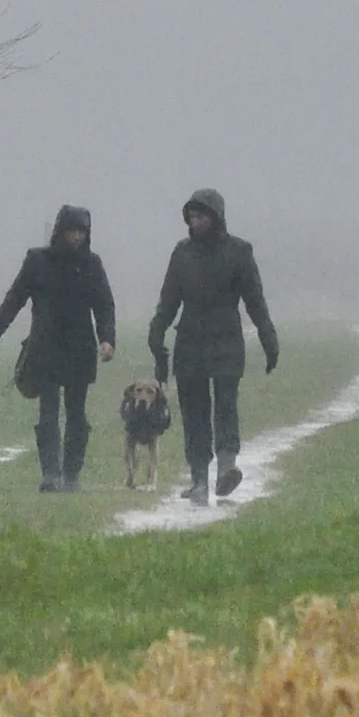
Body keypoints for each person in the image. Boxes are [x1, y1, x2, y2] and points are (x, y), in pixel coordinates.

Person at [143, 186, 277, 504]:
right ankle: (199, 477)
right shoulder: (182, 254)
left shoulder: (239, 252)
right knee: (194, 413)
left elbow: (255, 301)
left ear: (216, 217)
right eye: (192, 215)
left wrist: (268, 337)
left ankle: (227, 466)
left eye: (202, 215)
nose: (196, 220)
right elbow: (168, 302)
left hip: (227, 341)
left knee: (226, 406)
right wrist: (156, 336)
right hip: (189, 342)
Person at [0, 204, 116, 492]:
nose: (76, 237)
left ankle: (72, 474)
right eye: (71, 231)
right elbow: (14, 299)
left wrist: (107, 339)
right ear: (60, 231)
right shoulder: (37, 261)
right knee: (48, 411)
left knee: (77, 413)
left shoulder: (92, 264)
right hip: (45, 347)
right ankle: (50, 474)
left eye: (81, 232)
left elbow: (104, 304)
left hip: (80, 348)